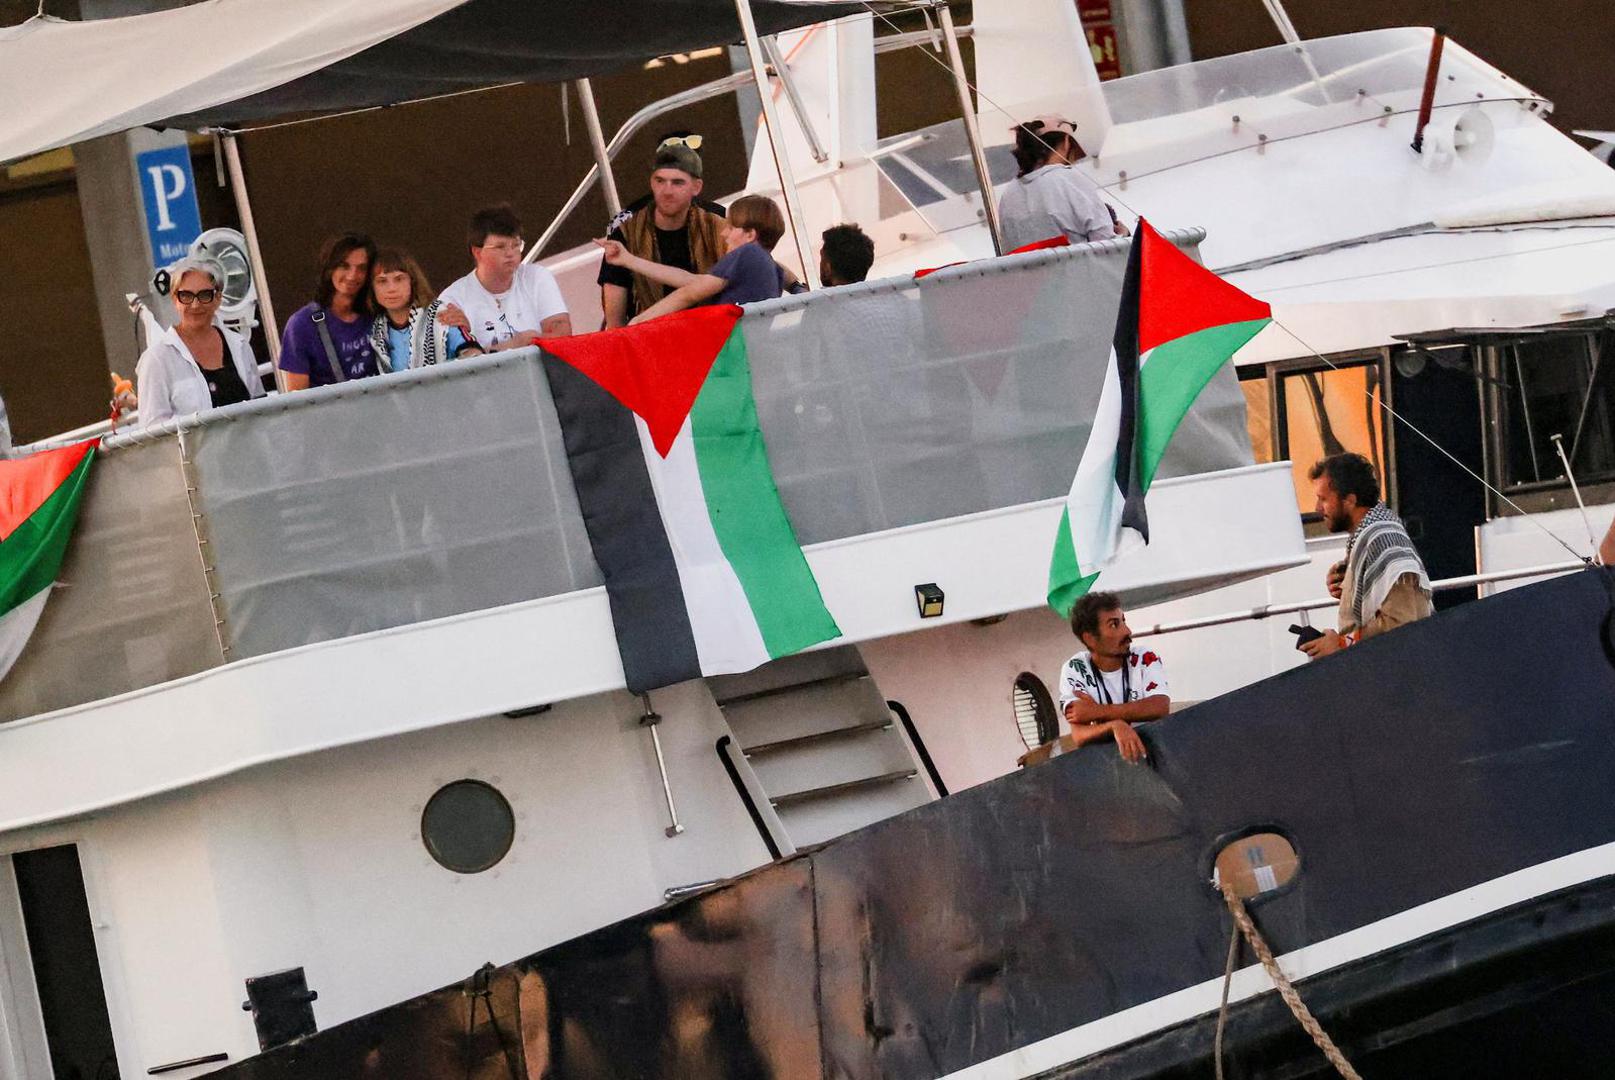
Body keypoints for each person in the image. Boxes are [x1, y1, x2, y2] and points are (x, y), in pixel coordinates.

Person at [1303, 452, 1433, 659]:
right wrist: (1347, 584)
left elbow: (1401, 624)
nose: (1317, 508)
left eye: (1323, 499)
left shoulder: (1384, 541)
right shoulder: (1372, 537)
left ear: (1349, 500)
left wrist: (1341, 643)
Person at [1019, 591, 1170, 767]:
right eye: (1114, 625)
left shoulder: (1144, 657)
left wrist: (1098, 712)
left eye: (1123, 621)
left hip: (1158, 760)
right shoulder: (1075, 668)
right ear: (1090, 638)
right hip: (1109, 769)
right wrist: (1115, 725)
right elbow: (1080, 735)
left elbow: (1160, 706)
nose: (1127, 631)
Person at [596, 134, 728, 327]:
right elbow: (615, 321)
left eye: (677, 182)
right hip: (650, 340)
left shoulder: (717, 221)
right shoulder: (626, 232)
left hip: (714, 332)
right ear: (651, 182)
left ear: (697, 187)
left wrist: (791, 286)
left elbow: (752, 258)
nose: (667, 191)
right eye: (660, 181)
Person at [135, 255, 266, 426]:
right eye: (186, 296)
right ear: (175, 299)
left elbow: (262, 409)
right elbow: (152, 431)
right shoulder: (157, 359)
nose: (195, 305)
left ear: (218, 298)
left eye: (204, 295)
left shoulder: (240, 346)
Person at [626, 195, 790, 323]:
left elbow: (689, 293)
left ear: (750, 234)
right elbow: (692, 281)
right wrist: (628, 260)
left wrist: (638, 321)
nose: (723, 233)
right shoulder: (774, 270)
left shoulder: (747, 253)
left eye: (731, 228)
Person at [437, 205, 571, 352]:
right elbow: (453, 359)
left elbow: (563, 335)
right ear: (477, 252)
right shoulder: (453, 299)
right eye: (500, 247)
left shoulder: (537, 277)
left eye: (516, 245)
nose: (510, 253)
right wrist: (519, 343)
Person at [998, 116, 1124, 251]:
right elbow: (1105, 242)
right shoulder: (1068, 178)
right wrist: (1124, 235)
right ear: (1066, 142)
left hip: (1029, 272)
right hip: (1079, 270)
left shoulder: (1008, 194)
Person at [278, 233, 383, 391]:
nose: (352, 275)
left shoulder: (377, 313)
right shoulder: (301, 324)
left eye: (362, 268)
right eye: (344, 266)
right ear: (329, 268)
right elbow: (296, 400)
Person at [368, 248, 482, 372]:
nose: (391, 289)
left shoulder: (439, 315)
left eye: (399, 279)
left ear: (412, 281)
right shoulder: (374, 330)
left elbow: (475, 355)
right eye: (382, 281)